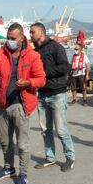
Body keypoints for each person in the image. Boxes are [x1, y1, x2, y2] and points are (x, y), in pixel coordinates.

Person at [0, 23, 46, 184]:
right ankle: (9, 168)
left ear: (22, 38)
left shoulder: (33, 56)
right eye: (7, 38)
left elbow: (41, 79)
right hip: (3, 104)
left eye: (13, 38)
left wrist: (29, 82)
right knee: (4, 141)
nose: (9, 41)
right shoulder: (1, 53)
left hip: (21, 105)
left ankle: (23, 173)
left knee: (22, 144)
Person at [30, 22, 75, 172]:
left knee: (61, 130)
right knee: (45, 130)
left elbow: (65, 67)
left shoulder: (56, 47)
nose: (30, 35)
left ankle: (70, 157)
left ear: (41, 32)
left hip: (57, 94)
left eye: (32, 32)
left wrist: (44, 72)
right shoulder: (35, 51)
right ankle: (50, 158)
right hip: (42, 95)